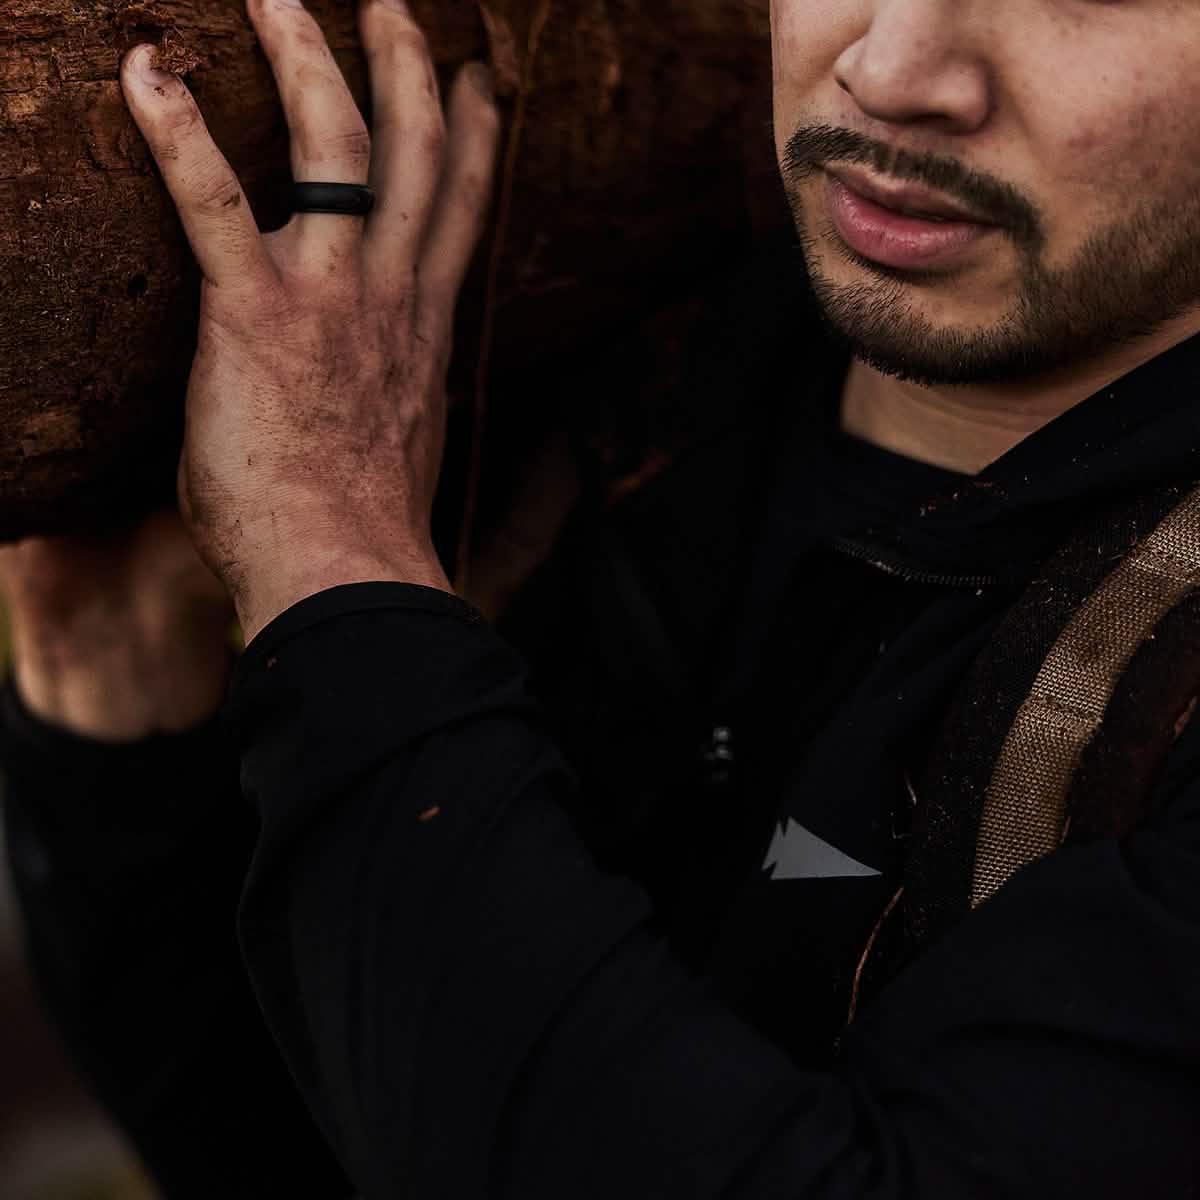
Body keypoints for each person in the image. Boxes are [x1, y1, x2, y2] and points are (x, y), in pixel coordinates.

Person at [3, 0, 1200, 1194]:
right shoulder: (615, 381)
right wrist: (120, 718)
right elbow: (325, 1147)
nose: (891, 70)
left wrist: (331, 558)